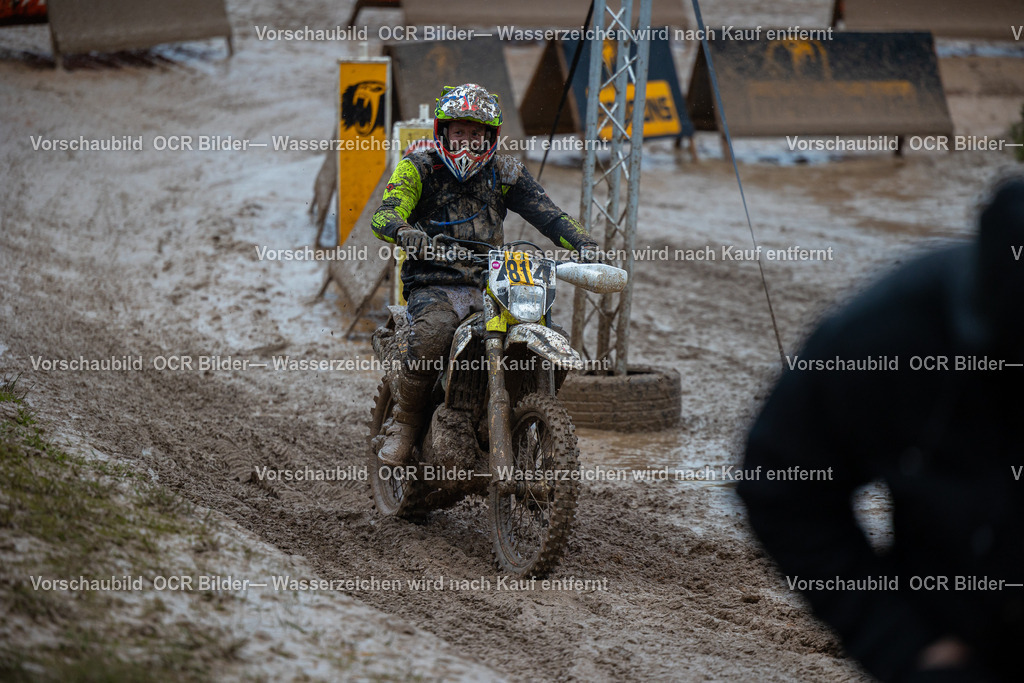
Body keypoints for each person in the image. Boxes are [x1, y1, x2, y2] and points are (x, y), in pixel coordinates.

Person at [738, 176, 1024, 682]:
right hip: (956, 639)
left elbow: (554, 218)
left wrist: (578, 239)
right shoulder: (894, 330)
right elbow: (780, 476)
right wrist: (903, 646)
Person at [370, 83, 598, 466]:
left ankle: (526, 421)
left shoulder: (505, 171)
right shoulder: (419, 167)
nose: (467, 141)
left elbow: (548, 213)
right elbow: (384, 213)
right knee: (434, 333)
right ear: (443, 132)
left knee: (551, 339)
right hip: (434, 281)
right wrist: (407, 232)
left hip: (493, 281)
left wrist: (583, 244)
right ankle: (405, 423)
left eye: (476, 133)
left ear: (490, 137)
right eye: (459, 131)